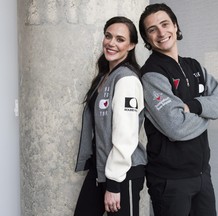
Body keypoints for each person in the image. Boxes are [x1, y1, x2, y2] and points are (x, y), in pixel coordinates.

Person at [138, 3, 218, 216]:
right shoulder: (151, 74)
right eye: (152, 29)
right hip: (170, 182)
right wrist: (208, 113)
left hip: (202, 175)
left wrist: (195, 106)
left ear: (175, 26)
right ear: (147, 39)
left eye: (165, 24)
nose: (161, 32)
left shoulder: (194, 66)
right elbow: (176, 127)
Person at [74, 16, 147, 216]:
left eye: (120, 39)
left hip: (123, 174)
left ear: (131, 45)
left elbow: (126, 135)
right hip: (101, 168)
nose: (111, 43)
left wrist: (114, 185)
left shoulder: (127, 80)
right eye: (108, 36)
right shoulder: (105, 76)